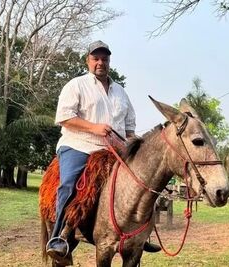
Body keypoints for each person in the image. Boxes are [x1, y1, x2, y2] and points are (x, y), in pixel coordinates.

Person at [46, 40, 161, 260]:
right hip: (79, 145)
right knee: (70, 184)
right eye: (95, 58)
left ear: (109, 61)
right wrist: (94, 127)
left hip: (114, 150)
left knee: (143, 183)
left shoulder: (121, 92)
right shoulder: (76, 85)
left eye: (104, 59)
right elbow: (64, 118)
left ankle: (140, 235)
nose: (100, 63)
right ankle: (59, 236)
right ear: (87, 61)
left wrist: (132, 145)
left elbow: (129, 129)